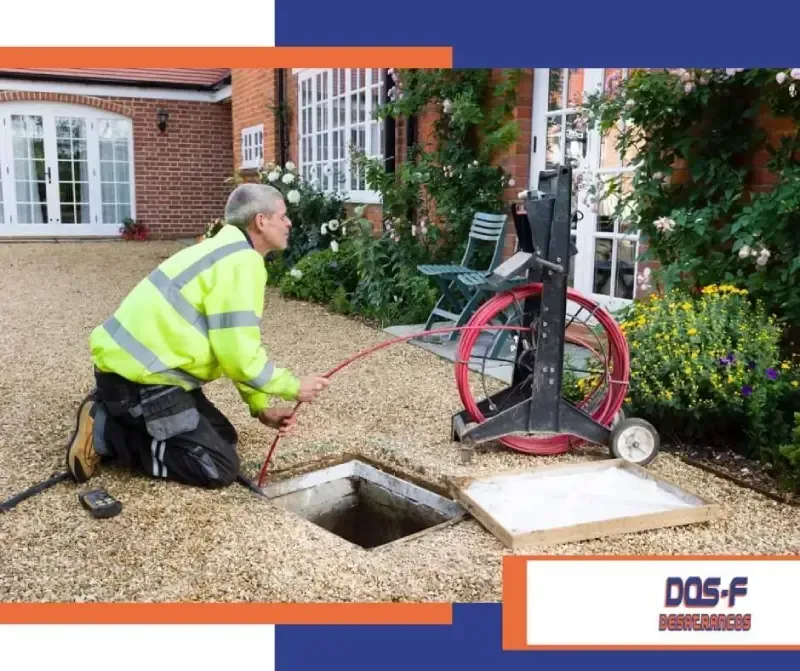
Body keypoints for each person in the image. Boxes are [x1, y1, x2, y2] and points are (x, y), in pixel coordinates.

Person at [66, 183, 330, 489]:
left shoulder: (223, 251)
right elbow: (239, 358)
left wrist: (260, 406)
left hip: (141, 373)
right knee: (216, 466)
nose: (289, 223)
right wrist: (294, 387)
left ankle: (112, 409)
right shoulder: (242, 263)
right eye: (283, 216)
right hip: (140, 383)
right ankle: (107, 432)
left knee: (224, 438)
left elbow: (231, 346)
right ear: (261, 221)